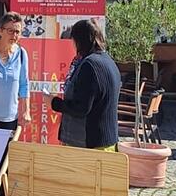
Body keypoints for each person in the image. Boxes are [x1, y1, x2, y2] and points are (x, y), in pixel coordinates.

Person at [44, 19, 121, 150]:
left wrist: (54, 103)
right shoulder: (108, 60)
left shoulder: (89, 65)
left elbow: (81, 108)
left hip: (88, 143)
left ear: (78, 40)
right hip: (107, 141)